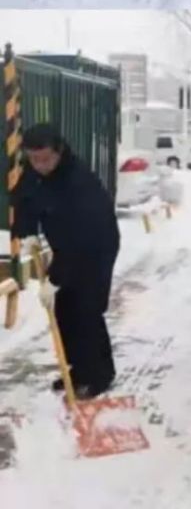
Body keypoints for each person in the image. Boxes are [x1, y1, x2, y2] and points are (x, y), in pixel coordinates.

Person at [13, 125, 121, 398]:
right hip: (66, 246)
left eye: (46, 159)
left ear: (59, 152)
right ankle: (77, 370)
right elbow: (23, 199)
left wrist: (55, 279)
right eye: (34, 159)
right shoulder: (34, 172)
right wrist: (27, 233)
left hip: (96, 246)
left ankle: (99, 375)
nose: (40, 165)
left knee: (87, 308)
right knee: (64, 311)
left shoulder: (78, 182)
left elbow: (81, 241)